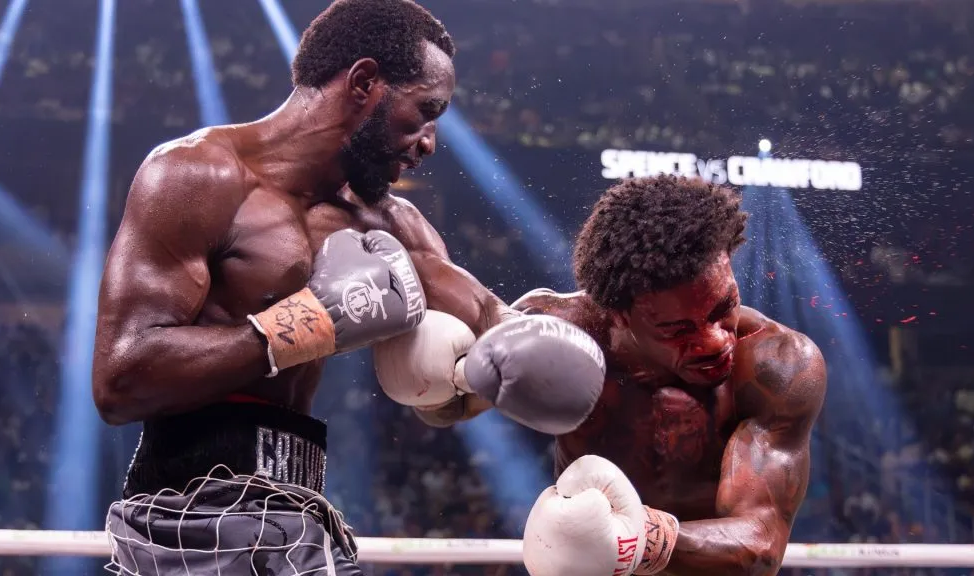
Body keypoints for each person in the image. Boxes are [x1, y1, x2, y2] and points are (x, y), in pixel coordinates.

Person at [92, 1, 602, 575]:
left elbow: (489, 318)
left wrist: (466, 382)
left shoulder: (392, 226)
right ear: (364, 83)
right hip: (184, 516)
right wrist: (310, 324)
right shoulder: (197, 176)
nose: (430, 142)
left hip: (300, 511)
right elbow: (121, 379)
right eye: (424, 111)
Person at [417, 174, 827, 576]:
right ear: (619, 314)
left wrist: (639, 539)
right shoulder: (559, 335)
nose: (715, 342)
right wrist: (440, 382)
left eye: (724, 309)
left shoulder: (776, 364)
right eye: (678, 330)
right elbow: (444, 412)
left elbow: (761, 545)